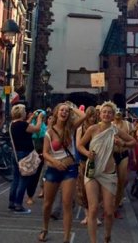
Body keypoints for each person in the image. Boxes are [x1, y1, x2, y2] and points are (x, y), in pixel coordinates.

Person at [78, 101, 136, 243]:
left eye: (109, 112)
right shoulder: (92, 129)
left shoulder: (115, 130)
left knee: (109, 212)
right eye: (104, 112)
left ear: (113, 115)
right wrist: (87, 153)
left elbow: (133, 142)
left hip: (108, 172)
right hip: (92, 170)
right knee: (93, 209)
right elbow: (79, 144)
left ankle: (107, 237)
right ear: (100, 114)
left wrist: (123, 144)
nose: (106, 114)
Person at [39, 103, 88, 243]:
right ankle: (45, 228)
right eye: (62, 110)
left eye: (67, 111)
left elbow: (83, 115)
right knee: (48, 203)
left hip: (70, 169)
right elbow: (45, 153)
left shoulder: (71, 128)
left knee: (67, 203)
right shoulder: (49, 132)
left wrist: (71, 107)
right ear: (56, 113)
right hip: (54, 169)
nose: (64, 112)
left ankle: (66, 237)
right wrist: (55, 162)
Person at [8, 104, 43, 214]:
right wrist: (39, 119)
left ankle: (11, 202)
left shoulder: (12, 124)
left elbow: (24, 127)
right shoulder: (22, 125)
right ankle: (19, 204)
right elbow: (36, 129)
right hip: (25, 154)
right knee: (24, 178)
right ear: (21, 113)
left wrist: (30, 119)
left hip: (15, 153)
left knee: (16, 179)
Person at [75, 106, 98, 226]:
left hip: (97, 162)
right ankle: (87, 214)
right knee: (83, 189)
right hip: (84, 161)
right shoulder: (81, 129)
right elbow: (79, 145)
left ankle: (94, 215)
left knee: (95, 189)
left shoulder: (98, 128)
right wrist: (87, 154)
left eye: (94, 116)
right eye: (90, 116)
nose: (93, 118)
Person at [112, 109, 131, 219]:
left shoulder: (128, 125)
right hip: (112, 154)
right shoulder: (110, 124)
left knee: (122, 181)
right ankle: (110, 203)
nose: (118, 115)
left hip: (124, 153)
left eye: (119, 113)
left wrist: (132, 156)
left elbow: (132, 141)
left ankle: (117, 204)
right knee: (112, 181)